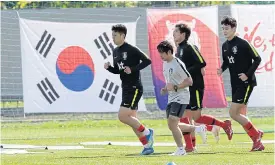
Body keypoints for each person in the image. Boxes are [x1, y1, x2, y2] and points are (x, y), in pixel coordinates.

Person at [173, 23, 233, 152]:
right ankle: (190, 146)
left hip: (195, 87)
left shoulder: (190, 47)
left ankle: (224, 125)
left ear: (183, 35)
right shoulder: (178, 49)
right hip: (186, 88)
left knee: (196, 117)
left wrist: (186, 72)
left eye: (176, 32)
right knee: (184, 116)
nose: (173, 34)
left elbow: (202, 62)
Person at [104, 24, 154, 155]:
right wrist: (109, 68)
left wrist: (133, 69)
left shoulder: (131, 49)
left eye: (115, 35)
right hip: (125, 87)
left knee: (122, 116)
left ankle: (148, 132)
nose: (113, 38)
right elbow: (118, 70)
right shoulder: (115, 51)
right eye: (112, 35)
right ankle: (147, 146)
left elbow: (147, 61)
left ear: (123, 36)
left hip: (134, 87)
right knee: (132, 120)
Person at [218, 16, 264, 151]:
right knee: (241, 113)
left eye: (226, 28)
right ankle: (257, 140)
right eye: (223, 29)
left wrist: (247, 75)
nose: (224, 31)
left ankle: (256, 136)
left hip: (246, 83)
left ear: (233, 28)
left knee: (233, 113)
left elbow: (258, 59)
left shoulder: (243, 43)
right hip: (235, 84)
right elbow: (227, 61)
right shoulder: (225, 45)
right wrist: (221, 69)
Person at [157, 40, 206, 156]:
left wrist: (174, 87)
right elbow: (171, 81)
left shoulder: (177, 63)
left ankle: (181, 150)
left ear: (169, 52)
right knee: (172, 125)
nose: (160, 56)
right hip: (172, 97)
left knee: (173, 122)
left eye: (162, 53)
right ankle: (198, 129)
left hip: (181, 96)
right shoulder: (165, 64)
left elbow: (189, 81)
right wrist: (166, 88)